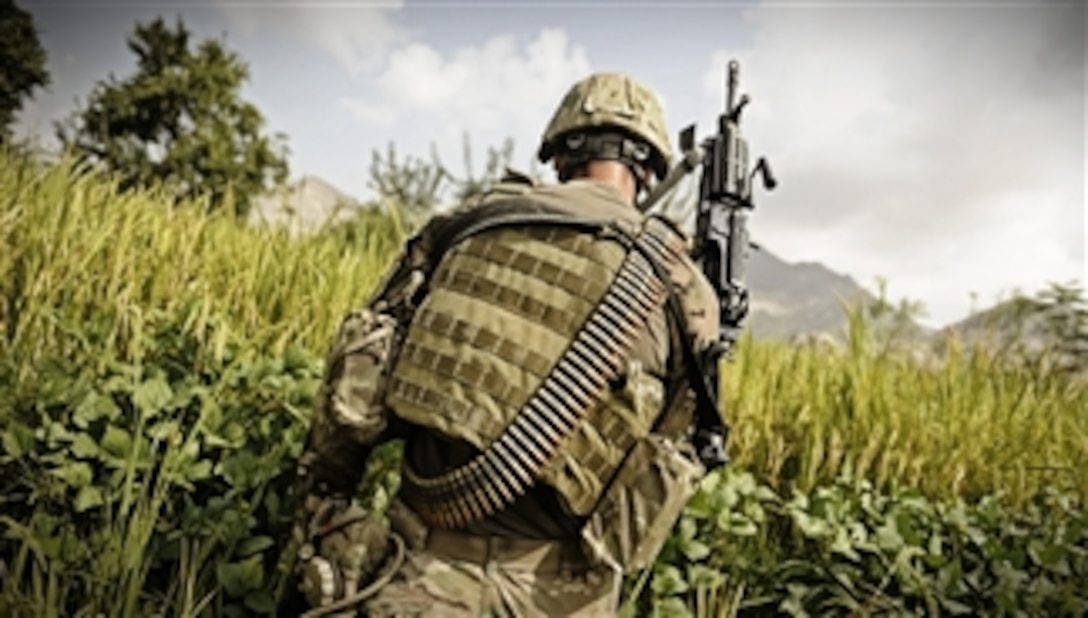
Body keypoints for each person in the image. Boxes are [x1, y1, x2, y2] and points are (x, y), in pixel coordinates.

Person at [278, 72, 722, 617]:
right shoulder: (684, 290)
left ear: (558, 158)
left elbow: (358, 375)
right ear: (649, 168)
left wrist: (329, 510)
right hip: (563, 596)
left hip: (416, 571)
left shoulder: (465, 227)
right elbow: (680, 449)